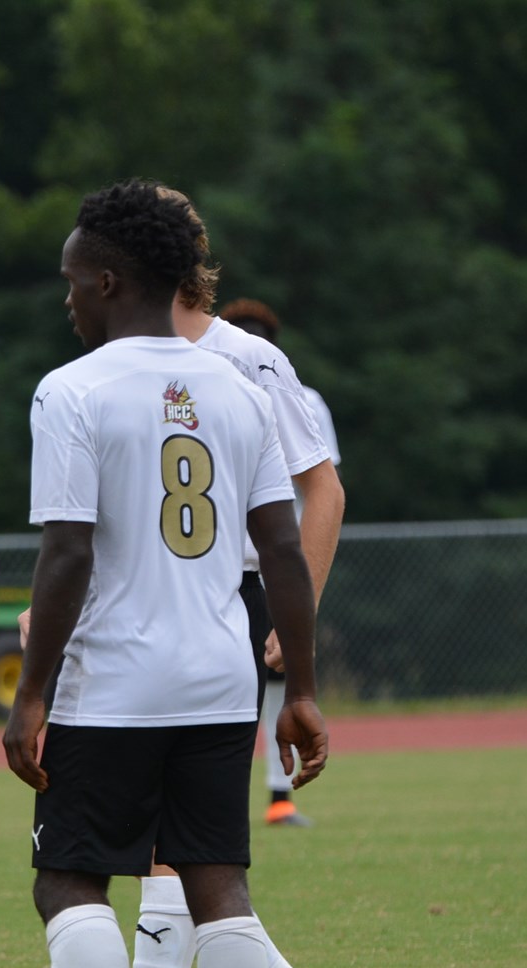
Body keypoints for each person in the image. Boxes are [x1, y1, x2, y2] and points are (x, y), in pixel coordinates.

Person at [6, 179, 327, 968]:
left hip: (113, 683)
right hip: (219, 679)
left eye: (70, 280)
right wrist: (301, 686)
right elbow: (278, 547)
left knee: (65, 877)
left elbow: (65, 556)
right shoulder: (234, 383)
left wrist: (30, 691)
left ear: (107, 281)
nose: (65, 299)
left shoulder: (72, 389)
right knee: (215, 881)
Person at [217, 296, 343, 829]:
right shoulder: (207, 385)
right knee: (242, 694)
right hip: (231, 568)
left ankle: (271, 795)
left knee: (269, 686)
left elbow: (320, 489)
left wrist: (303, 594)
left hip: (265, 569)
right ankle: (258, 801)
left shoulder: (294, 395)